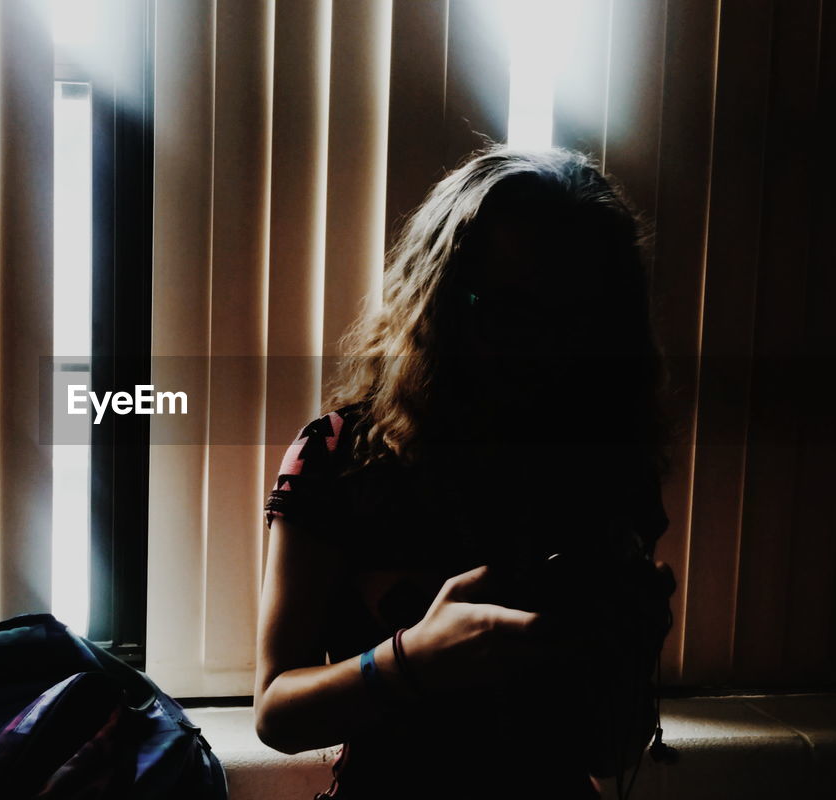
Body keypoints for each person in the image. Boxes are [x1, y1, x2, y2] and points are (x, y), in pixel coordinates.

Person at [254, 146, 677, 798]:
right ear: (440, 304)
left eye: (577, 322)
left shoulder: (605, 464)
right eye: (509, 315)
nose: (544, 351)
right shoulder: (342, 457)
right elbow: (276, 711)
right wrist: (414, 660)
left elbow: (607, 751)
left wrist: (628, 661)